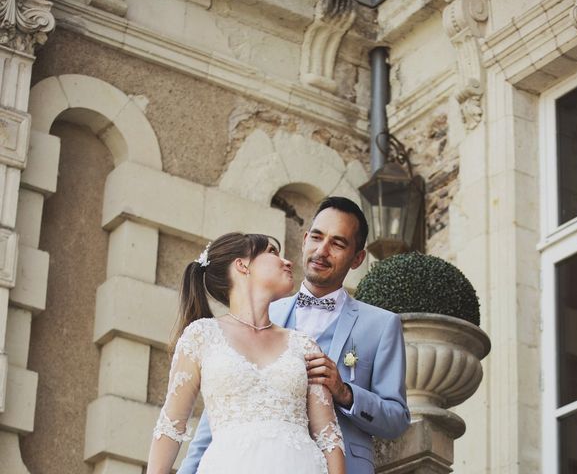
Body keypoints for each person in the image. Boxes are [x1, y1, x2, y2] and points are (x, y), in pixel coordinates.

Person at [178, 197, 411, 474]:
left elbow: (397, 419)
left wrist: (345, 392)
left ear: (357, 258)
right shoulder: (262, 315)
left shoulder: (381, 325)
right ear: (304, 240)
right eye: (316, 237)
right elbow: (219, 410)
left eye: (337, 244)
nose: (321, 251)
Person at [147, 233, 346, 474]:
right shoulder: (201, 335)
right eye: (272, 252)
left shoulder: (303, 345)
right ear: (242, 265)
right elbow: (170, 427)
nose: (287, 261)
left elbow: (329, 437)